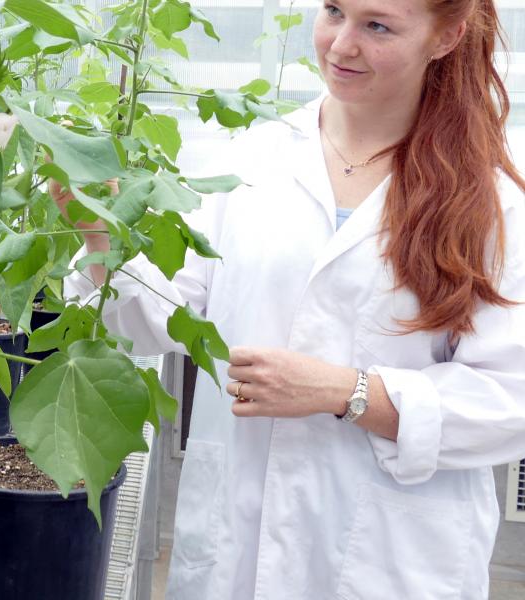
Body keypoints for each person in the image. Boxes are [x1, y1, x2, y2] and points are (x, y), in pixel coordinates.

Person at [58, 0, 525, 598]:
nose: (340, 45)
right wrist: (99, 235)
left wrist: (345, 392)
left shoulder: (489, 199)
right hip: (237, 534)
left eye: (377, 25)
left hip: (390, 554)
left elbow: (508, 400)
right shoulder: (252, 159)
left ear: (446, 37)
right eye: (333, 11)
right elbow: (163, 319)